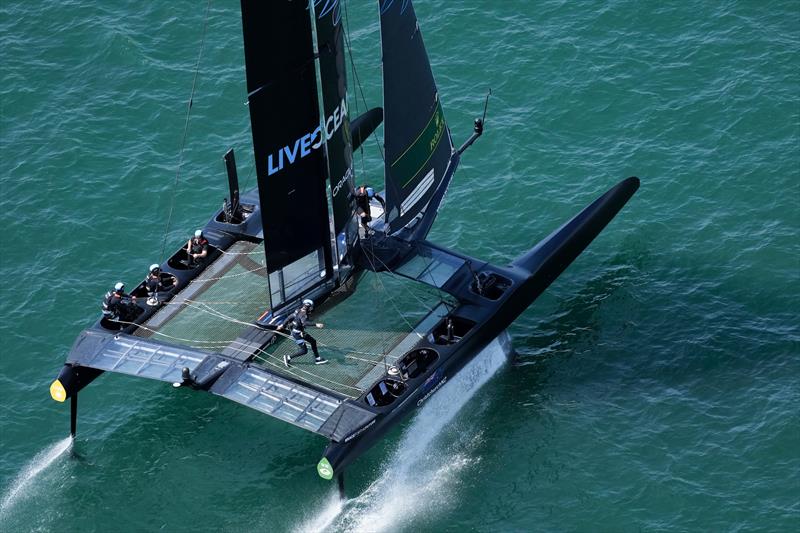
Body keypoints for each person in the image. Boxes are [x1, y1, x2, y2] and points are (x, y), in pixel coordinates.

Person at [278, 299, 327, 367]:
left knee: (313, 341)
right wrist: (316, 324)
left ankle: (318, 359)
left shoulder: (298, 310)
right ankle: (288, 357)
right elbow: (305, 323)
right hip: (297, 334)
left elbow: (289, 317)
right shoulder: (304, 315)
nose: (311, 308)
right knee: (304, 351)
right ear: (308, 307)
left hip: (299, 332)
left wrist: (282, 325)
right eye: (310, 307)